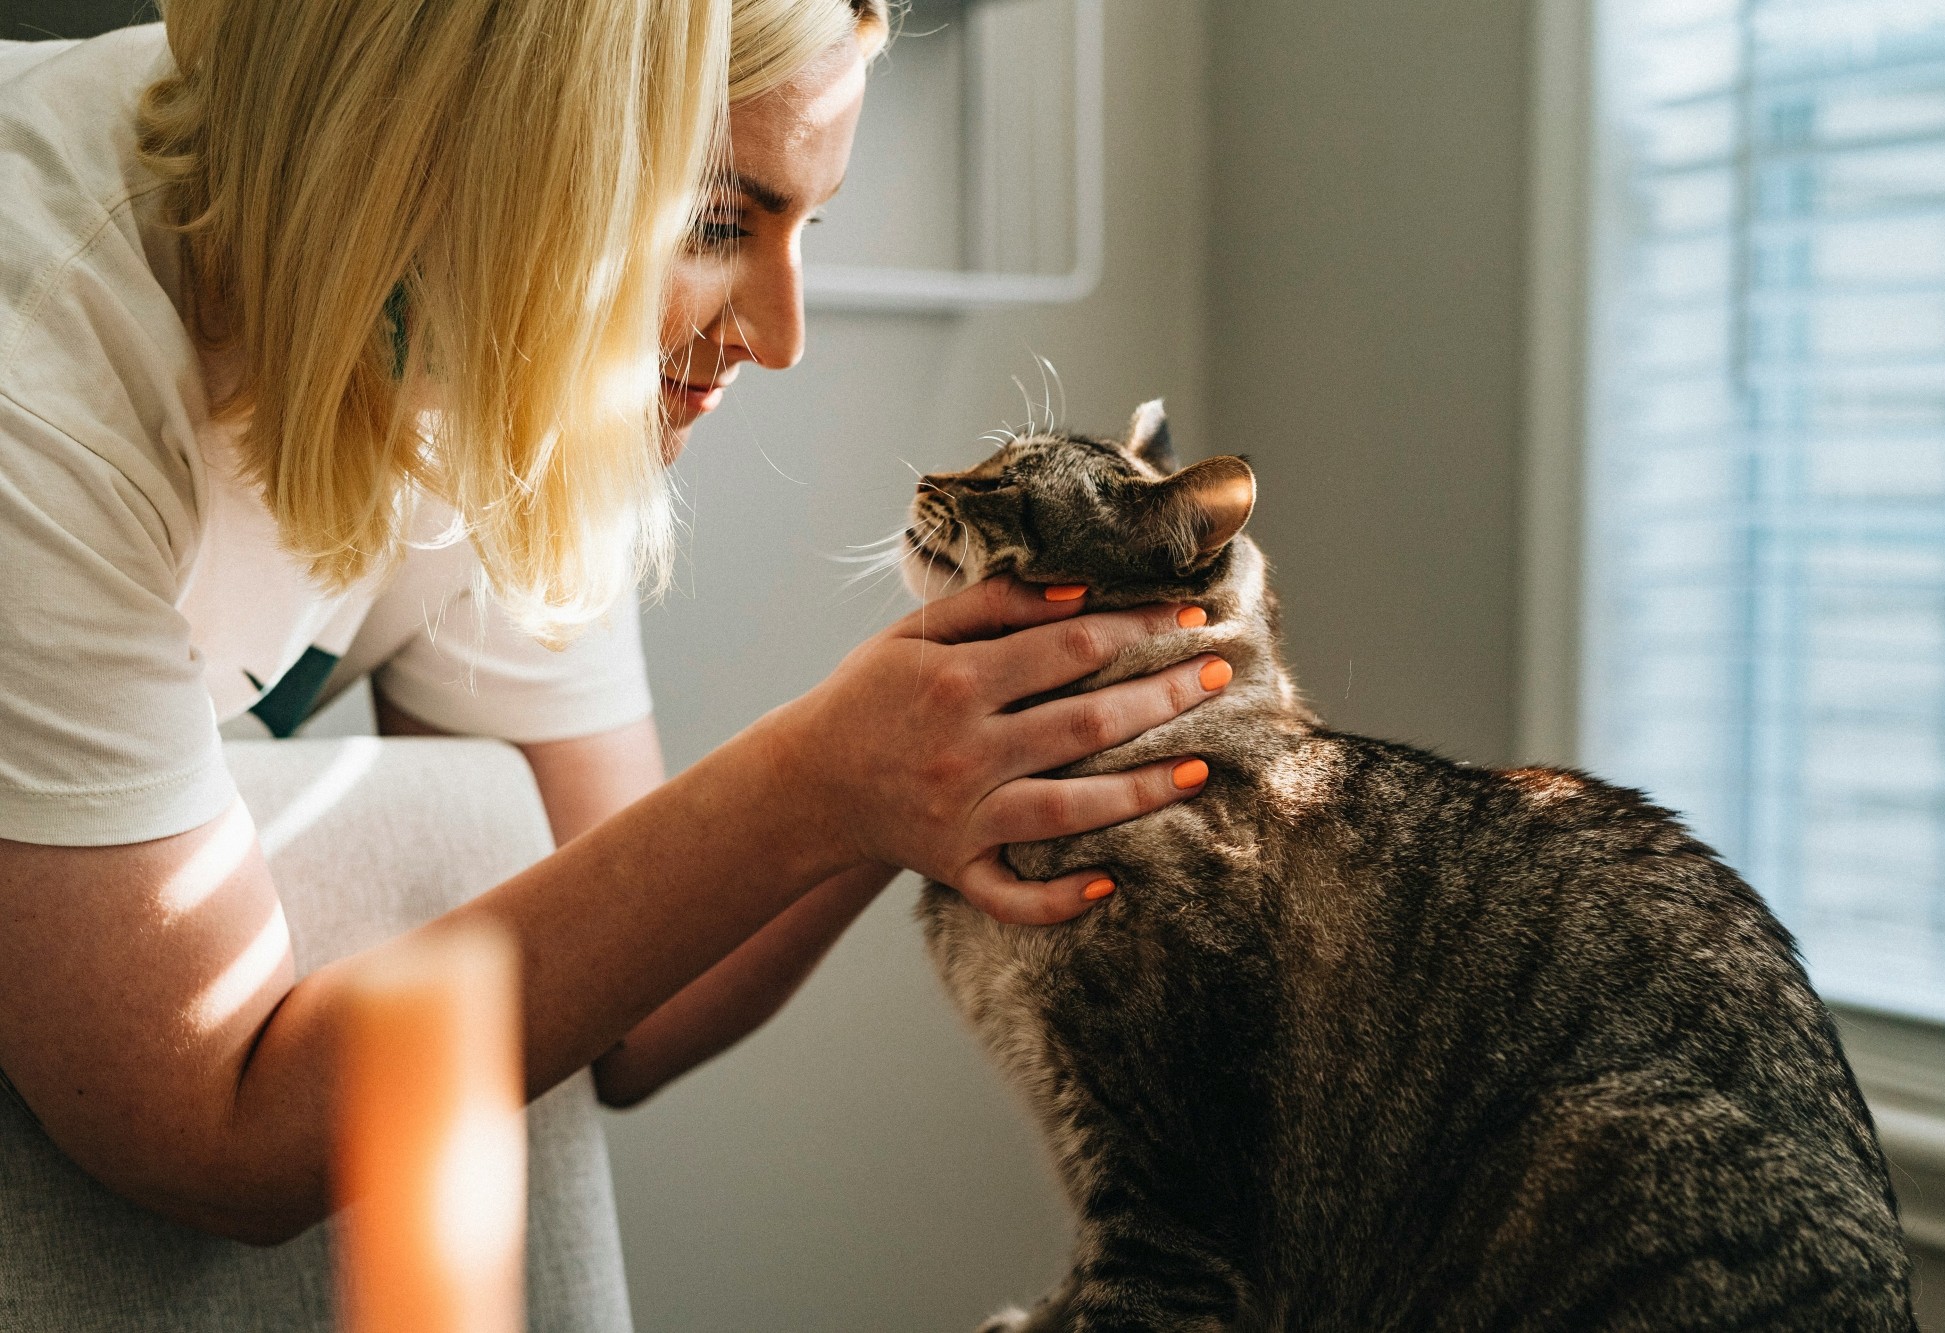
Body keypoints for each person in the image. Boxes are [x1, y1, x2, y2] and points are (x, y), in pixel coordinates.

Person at [0, 0, 1226, 1252]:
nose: (781, 338)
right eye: (713, 223)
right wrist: (819, 781)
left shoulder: (486, 325)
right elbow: (213, 1133)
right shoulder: (36, 381)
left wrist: (932, 754)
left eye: (805, 224)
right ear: (453, 156)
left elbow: (636, 1009)